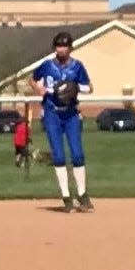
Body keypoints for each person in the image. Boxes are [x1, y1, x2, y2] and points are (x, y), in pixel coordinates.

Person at [32, 31, 94, 211]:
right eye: (59, 46)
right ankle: (66, 196)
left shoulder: (77, 67)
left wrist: (76, 87)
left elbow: (89, 87)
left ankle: (82, 194)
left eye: (65, 46)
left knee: (77, 154)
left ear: (70, 48)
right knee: (58, 155)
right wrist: (39, 89)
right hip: (52, 114)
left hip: (71, 114)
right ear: (54, 48)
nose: (62, 49)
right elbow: (32, 79)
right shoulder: (47, 66)